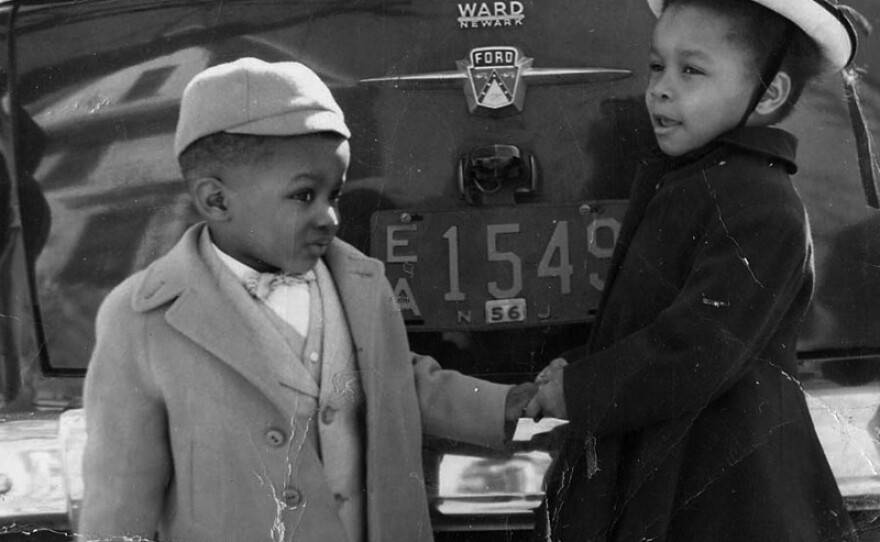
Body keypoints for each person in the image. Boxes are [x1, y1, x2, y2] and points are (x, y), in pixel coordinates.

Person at [77, 58, 537, 542]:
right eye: (303, 197)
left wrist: (502, 405)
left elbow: (396, 382)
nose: (331, 218)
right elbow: (119, 495)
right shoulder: (144, 318)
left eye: (334, 195)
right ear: (216, 201)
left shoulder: (360, 282)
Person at [524, 0, 861, 540]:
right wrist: (579, 364)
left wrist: (580, 390)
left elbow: (697, 346)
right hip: (667, 465)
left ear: (768, 93)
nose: (659, 87)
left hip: (731, 496)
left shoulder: (762, 203)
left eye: (692, 70)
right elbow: (647, 322)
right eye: (657, 65)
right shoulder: (687, 182)